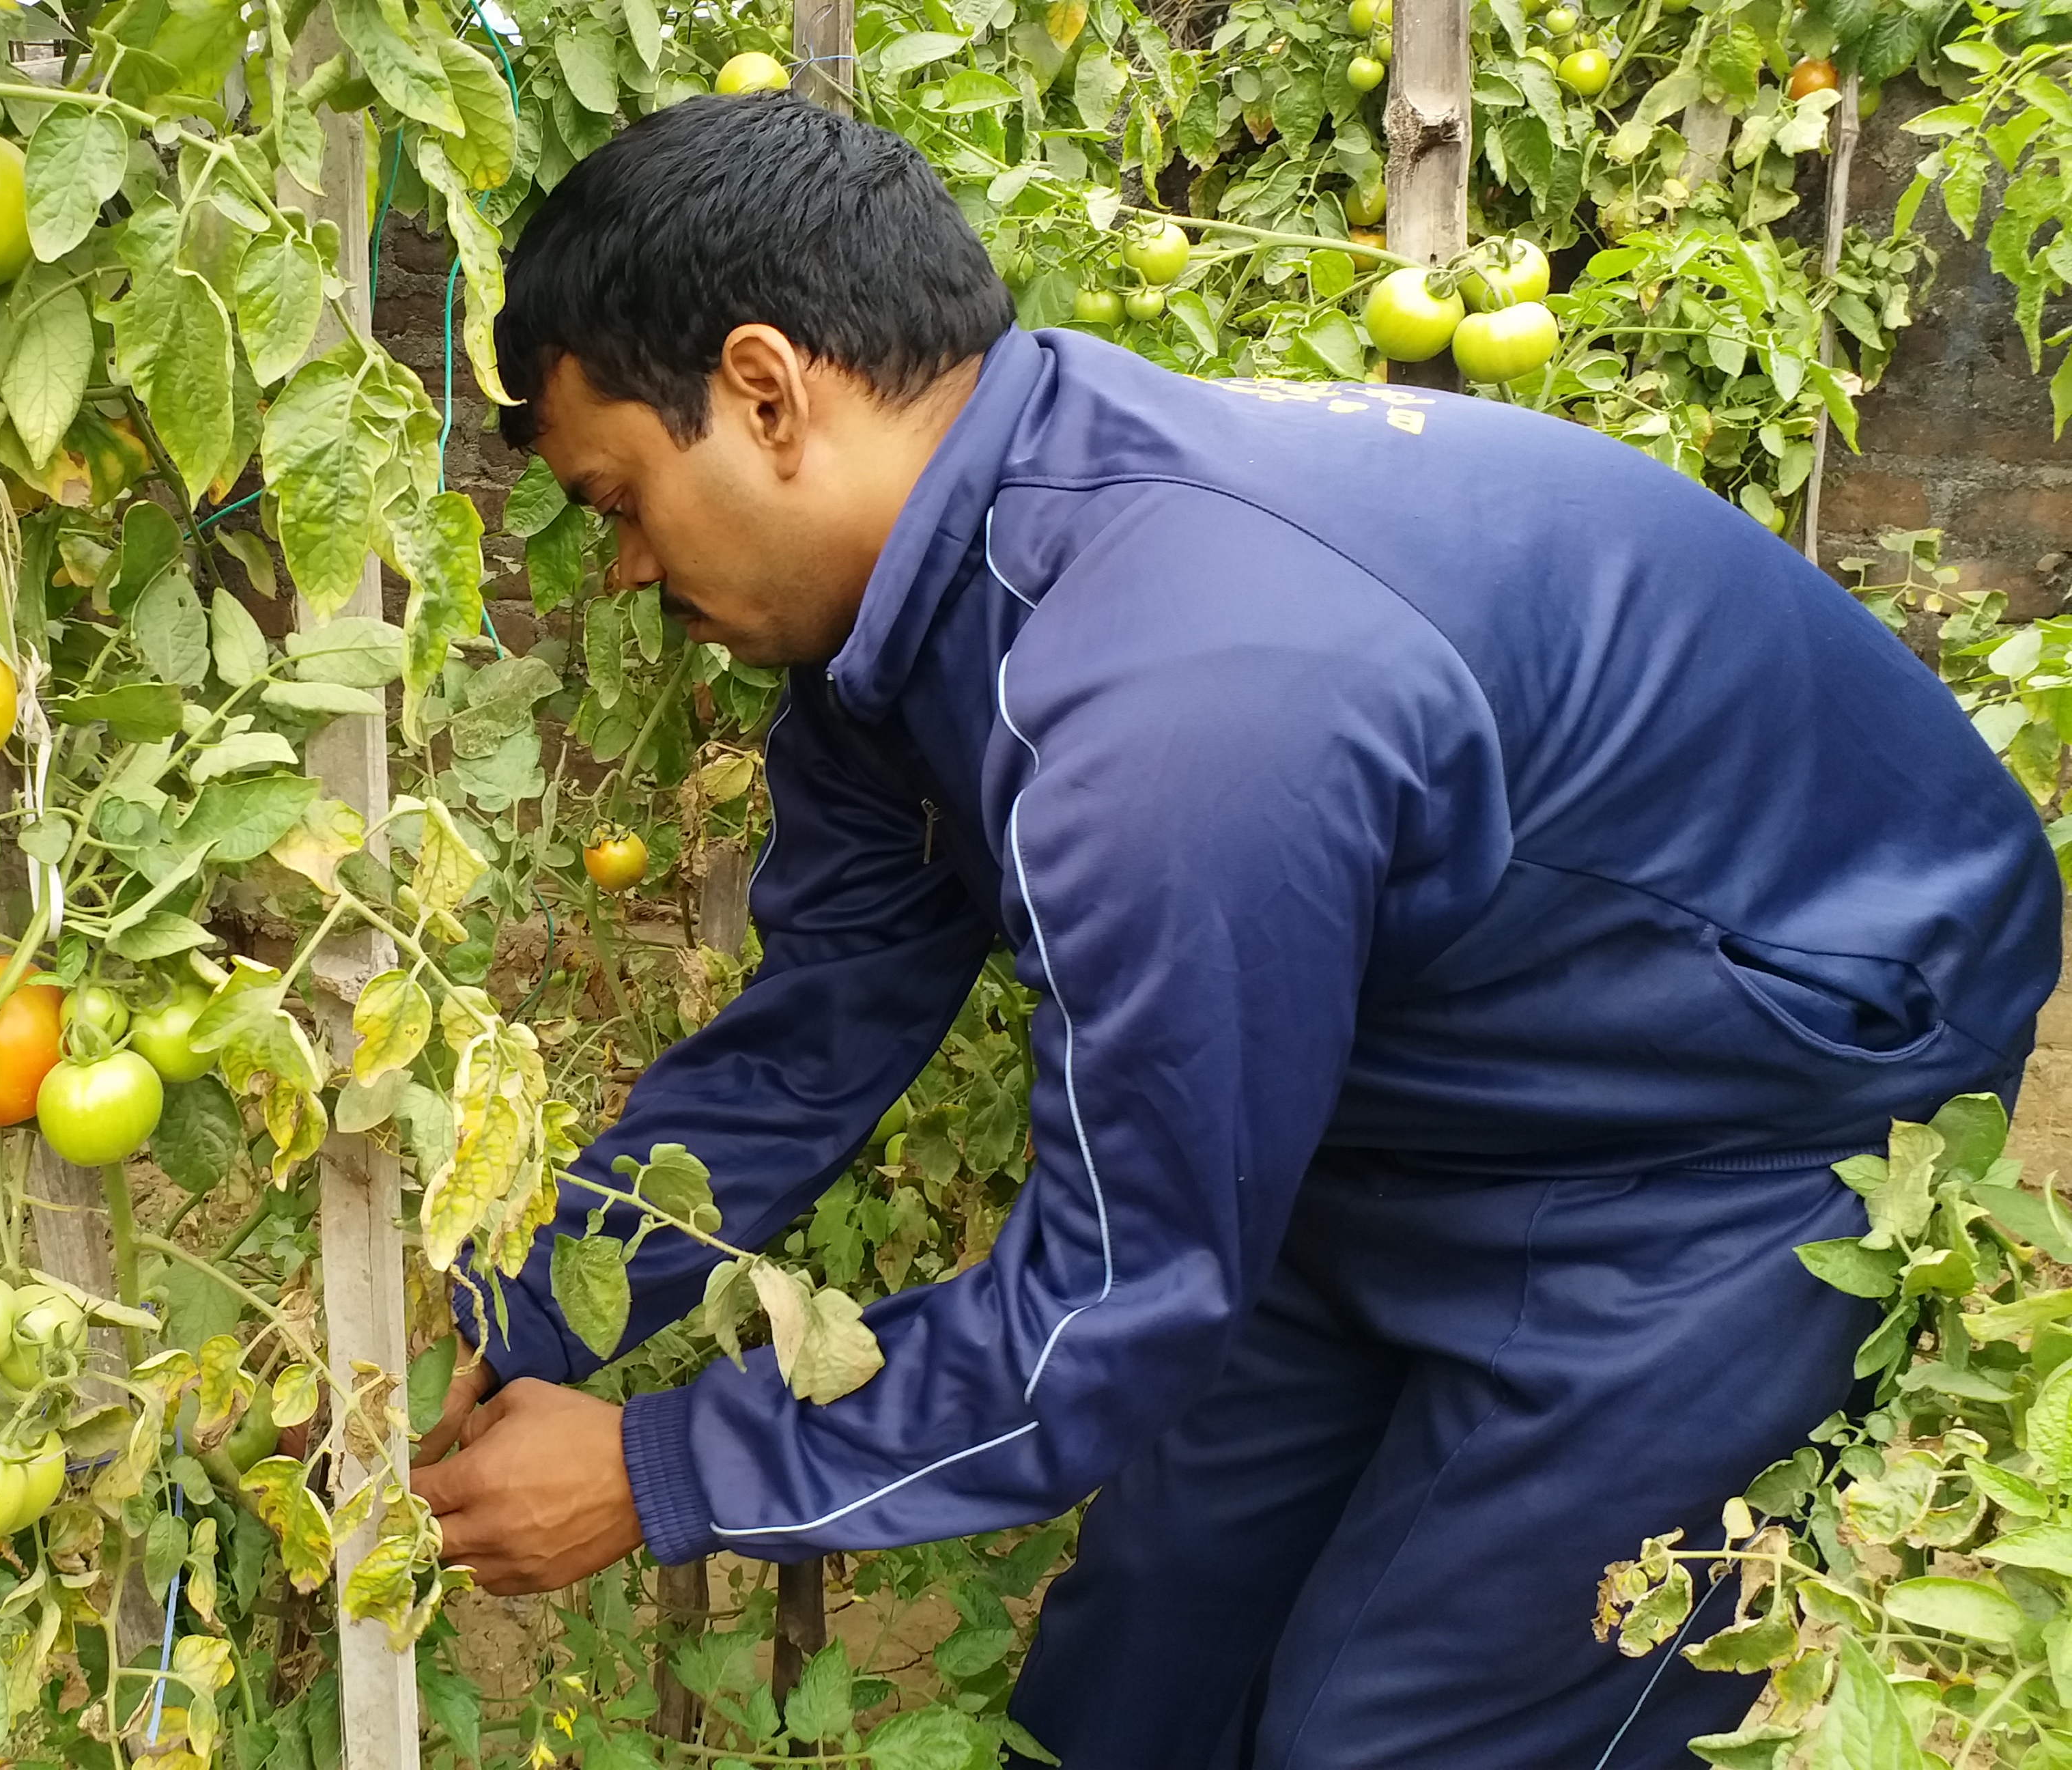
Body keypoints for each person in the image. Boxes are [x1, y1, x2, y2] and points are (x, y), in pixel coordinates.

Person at [401, 91, 2061, 1768]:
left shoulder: (1168, 706)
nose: (617, 570)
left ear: (765, 391)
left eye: (618, 499)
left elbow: (1107, 1312)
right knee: (1140, 1685)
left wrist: (656, 1471)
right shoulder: (904, 627)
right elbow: (818, 1026)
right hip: (1438, 1057)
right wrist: (517, 1317)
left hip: (1746, 1111)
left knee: (1401, 1736)